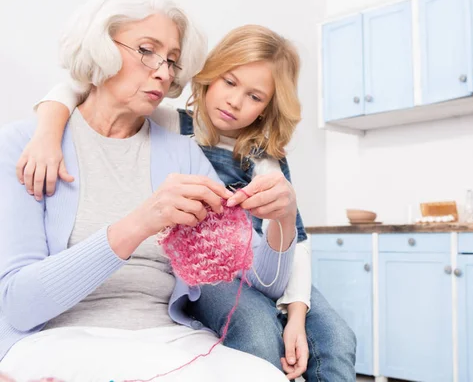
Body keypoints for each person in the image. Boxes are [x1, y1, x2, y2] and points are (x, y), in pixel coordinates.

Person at [19, 25, 357, 382]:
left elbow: (296, 242)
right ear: (209, 77)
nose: (235, 101)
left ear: (267, 108)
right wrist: (46, 133)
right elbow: (77, 88)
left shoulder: (267, 159)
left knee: (337, 339)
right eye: (229, 82)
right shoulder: (169, 123)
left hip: (270, 264)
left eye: (255, 97)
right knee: (258, 332)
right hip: (210, 267)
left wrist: (297, 314)